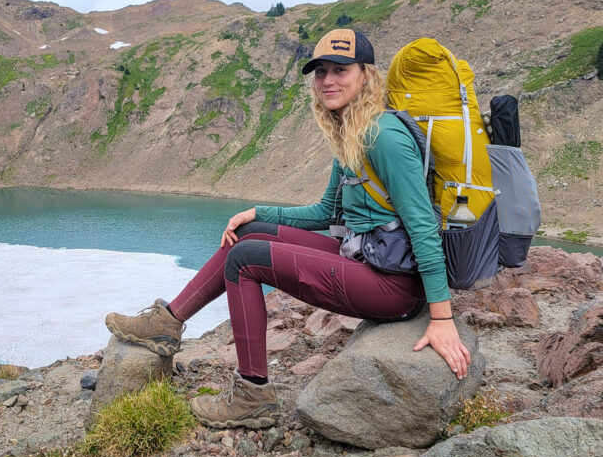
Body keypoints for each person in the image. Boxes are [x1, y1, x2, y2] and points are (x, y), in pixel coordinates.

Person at [105, 29, 472, 429]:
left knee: (245, 261)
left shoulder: (382, 135)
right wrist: (256, 212)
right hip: (368, 261)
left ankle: (253, 394)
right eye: (320, 72)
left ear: (365, 75)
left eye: (340, 70)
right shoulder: (351, 131)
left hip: (395, 288)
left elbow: (422, 226)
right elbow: (324, 212)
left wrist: (441, 318)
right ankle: (167, 323)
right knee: (247, 236)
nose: (328, 80)